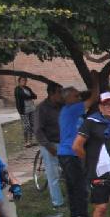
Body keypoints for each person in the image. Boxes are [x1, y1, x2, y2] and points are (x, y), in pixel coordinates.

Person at [59, 77, 100, 217]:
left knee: (72, 186)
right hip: (71, 153)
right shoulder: (73, 108)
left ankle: (75, 216)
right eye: (76, 96)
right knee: (80, 186)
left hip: (65, 153)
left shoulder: (68, 111)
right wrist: (95, 81)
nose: (78, 98)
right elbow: (94, 98)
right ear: (68, 98)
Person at [34, 82, 66, 210]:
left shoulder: (62, 106)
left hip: (64, 143)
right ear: (52, 94)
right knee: (53, 175)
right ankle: (57, 203)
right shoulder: (42, 108)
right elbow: (38, 130)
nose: (62, 95)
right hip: (50, 144)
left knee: (70, 171)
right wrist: (48, 146)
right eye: (60, 92)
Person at [14, 76, 38, 147]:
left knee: (33, 125)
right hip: (24, 110)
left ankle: (30, 142)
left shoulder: (28, 88)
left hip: (32, 109)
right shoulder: (17, 89)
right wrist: (30, 96)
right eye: (23, 80)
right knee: (27, 126)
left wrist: (30, 96)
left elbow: (35, 96)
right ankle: (26, 142)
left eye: (25, 80)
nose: (24, 82)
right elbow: (23, 96)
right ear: (19, 81)